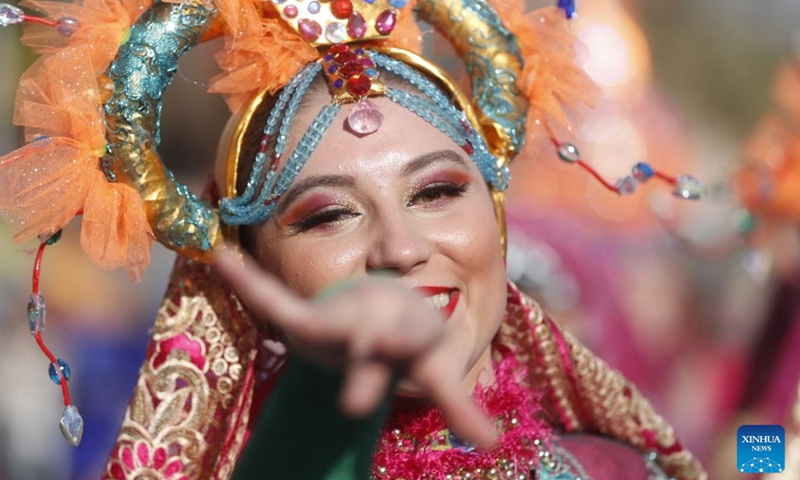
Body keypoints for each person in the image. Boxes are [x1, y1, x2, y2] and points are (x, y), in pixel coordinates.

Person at [0, 0, 706, 478]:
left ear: (494, 222)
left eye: (436, 193)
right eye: (329, 216)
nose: (399, 249)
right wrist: (323, 403)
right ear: (255, 286)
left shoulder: (613, 464)